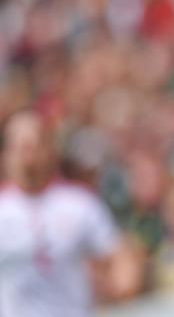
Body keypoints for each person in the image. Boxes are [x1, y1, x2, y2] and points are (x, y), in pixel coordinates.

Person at [0, 110, 141, 317]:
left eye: (33, 145)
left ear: (49, 149)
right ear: (6, 154)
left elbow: (118, 253)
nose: (28, 156)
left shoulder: (79, 203)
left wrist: (122, 284)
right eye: (20, 146)